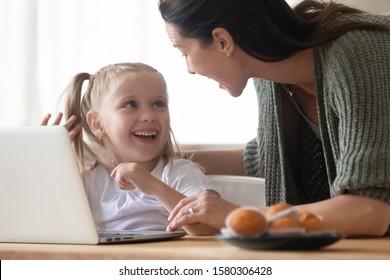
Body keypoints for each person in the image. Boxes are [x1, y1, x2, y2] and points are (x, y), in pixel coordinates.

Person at [159, 0, 390, 237]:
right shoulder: (270, 78)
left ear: (222, 41)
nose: (189, 69)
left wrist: (237, 217)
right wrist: (162, 161)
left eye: (183, 52)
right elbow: (269, 158)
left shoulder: (358, 55)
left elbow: (370, 210)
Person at [42, 62, 217, 236]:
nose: (149, 116)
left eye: (158, 104)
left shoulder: (179, 173)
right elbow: (47, 223)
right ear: (97, 124)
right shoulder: (89, 182)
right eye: (130, 104)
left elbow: (209, 227)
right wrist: (41, 160)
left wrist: (153, 186)